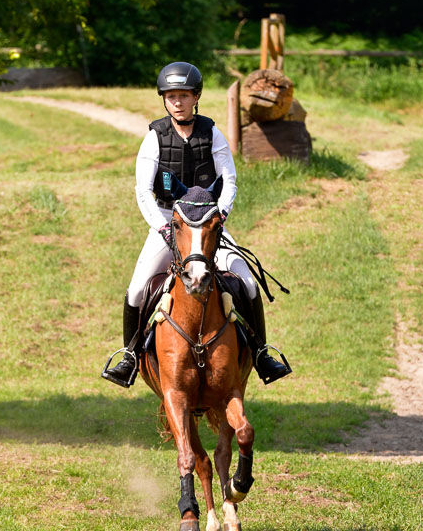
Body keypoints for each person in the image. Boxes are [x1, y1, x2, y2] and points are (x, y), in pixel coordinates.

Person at [102, 61, 291, 388]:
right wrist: (162, 229)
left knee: (246, 281)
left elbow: (229, 180)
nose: (177, 102)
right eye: (171, 96)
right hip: (167, 223)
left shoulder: (212, 133)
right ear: (164, 98)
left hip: (205, 224)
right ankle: (130, 356)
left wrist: (222, 214)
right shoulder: (154, 137)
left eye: (184, 95)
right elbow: (143, 191)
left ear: (196, 97)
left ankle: (261, 353)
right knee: (136, 289)